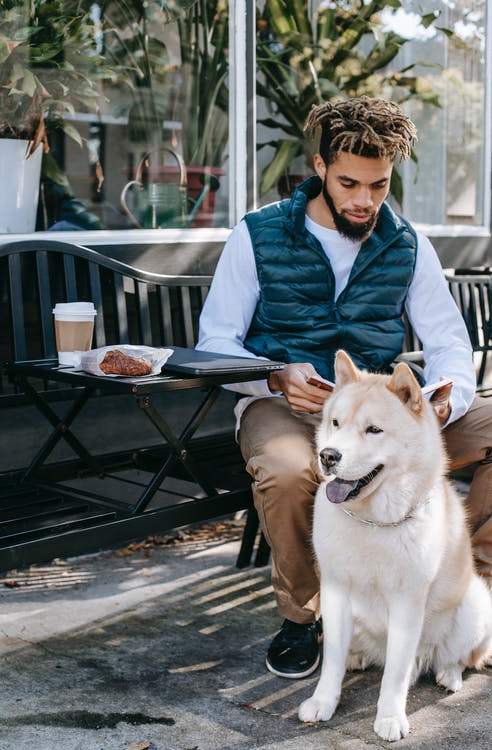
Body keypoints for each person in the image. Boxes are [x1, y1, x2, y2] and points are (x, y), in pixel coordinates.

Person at [196, 96, 492, 680]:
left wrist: (440, 399)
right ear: (320, 167)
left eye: (378, 185)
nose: (364, 200)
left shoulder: (407, 245)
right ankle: (305, 619)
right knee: (286, 471)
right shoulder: (256, 235)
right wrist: (275, 375)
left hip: (380, 417)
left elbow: (451, 346)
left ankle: (468, 587)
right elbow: (215, 343)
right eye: (350, 182)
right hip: (281, 404)